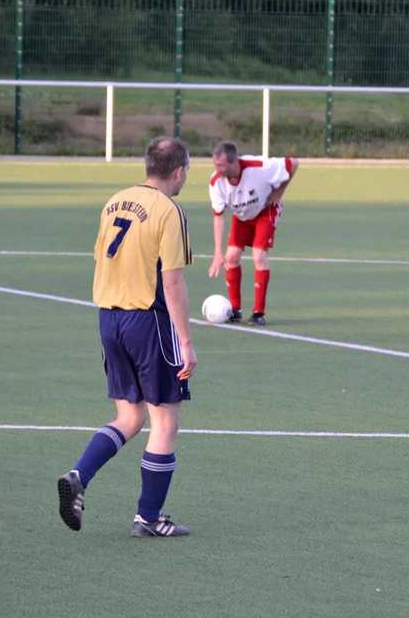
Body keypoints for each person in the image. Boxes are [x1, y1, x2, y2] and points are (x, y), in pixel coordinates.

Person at [57, 136, 198, 537]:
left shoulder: (114, 201)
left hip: (109, 320)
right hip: (148, 322)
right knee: (164, 423)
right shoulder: (170, 210)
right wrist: (186, 342)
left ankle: (79, 476)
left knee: (129, 416)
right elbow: (171, 282)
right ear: (179, 171)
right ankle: (149, 518)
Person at [208, 141, 299, 326]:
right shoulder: (216, 182)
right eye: (215, 165)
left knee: (259, 256)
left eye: (221, 165)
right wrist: (218, 253)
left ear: (234, 162)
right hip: (242, 216)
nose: (218, 170)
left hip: (266, 211)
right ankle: (235, 309)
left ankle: (258, 312)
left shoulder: (259, 167)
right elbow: (218, 217)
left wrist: (279, 191)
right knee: (231, 257)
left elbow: (293, 163)